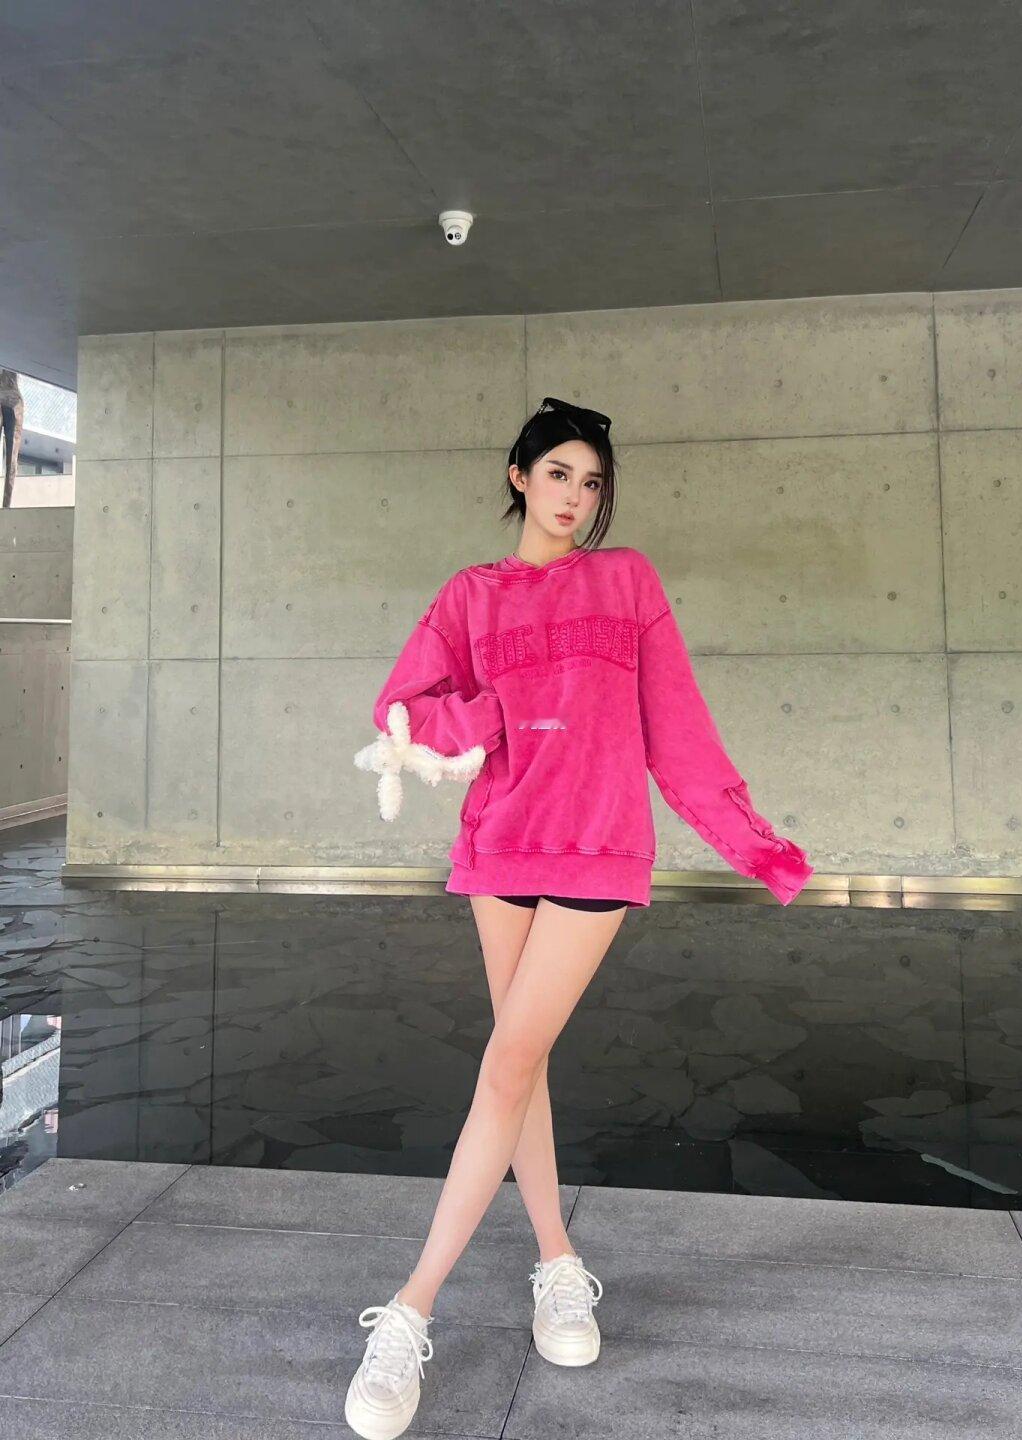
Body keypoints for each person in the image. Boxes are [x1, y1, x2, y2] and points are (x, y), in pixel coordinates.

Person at [345, 397, 814, 1439]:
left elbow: (675, 725)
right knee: (522, 1063)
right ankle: (557, 1262)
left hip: (599, 845)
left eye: (591, 481)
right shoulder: (469, 595)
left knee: (510, 1060)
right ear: (520, 476)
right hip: (501, 843)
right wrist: (486, 715)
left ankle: (412, 1309)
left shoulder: (627, 580)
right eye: (558, 473)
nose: (576, 497)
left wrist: (751, 843)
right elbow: (403, 708)